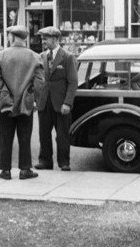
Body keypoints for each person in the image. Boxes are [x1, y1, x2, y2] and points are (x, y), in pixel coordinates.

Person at [0, 25, 44, 180]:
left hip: (6, 103)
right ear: (24, 38)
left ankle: (5, 170)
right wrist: (32, 96)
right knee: (25, 137)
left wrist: (0, 95)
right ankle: (25, 169)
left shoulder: (1, 55)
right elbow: (40, 81)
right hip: (26, 103)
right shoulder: (34, 56)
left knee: (5, 137)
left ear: (12, 37)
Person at [35, 27, 78, 171]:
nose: (43, 41)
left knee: (62, 136)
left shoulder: (67, 57)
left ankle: (64, 162)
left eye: (45, 38)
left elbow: (73, 82)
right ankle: (45, 161)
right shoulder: (40, 57)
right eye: (42, 38)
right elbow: (37, 80)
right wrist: (37, 99)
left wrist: (67, 103)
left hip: (61, 104)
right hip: (44, 103)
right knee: (44, 134)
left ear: (55, 39)